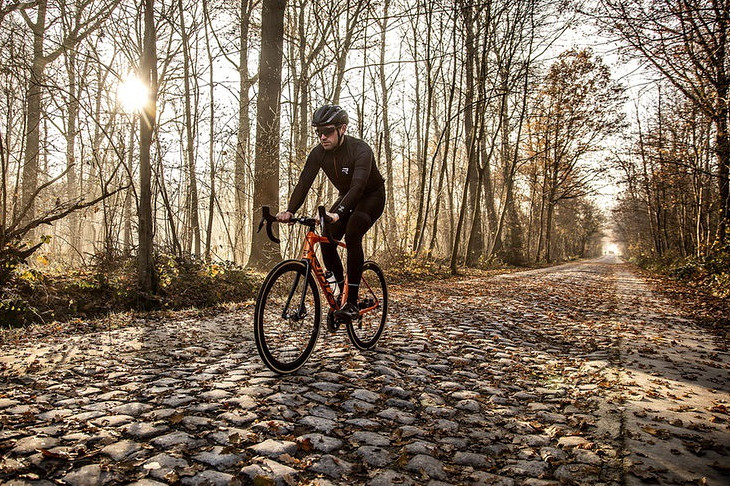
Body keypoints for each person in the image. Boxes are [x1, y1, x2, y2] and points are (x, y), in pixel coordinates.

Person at [276, 105, 385, 322]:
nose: (322, 137)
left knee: (353, 232)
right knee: (326, 237)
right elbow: (303, 183)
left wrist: (339, 213)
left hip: (370, 196)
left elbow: (359, 186)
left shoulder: (361, 149)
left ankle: (352, 302)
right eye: (318, 132)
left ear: (342, 128)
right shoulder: (318, 153)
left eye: (327, 131)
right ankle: (339, 289)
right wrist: (290, 210)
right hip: (347, 196)